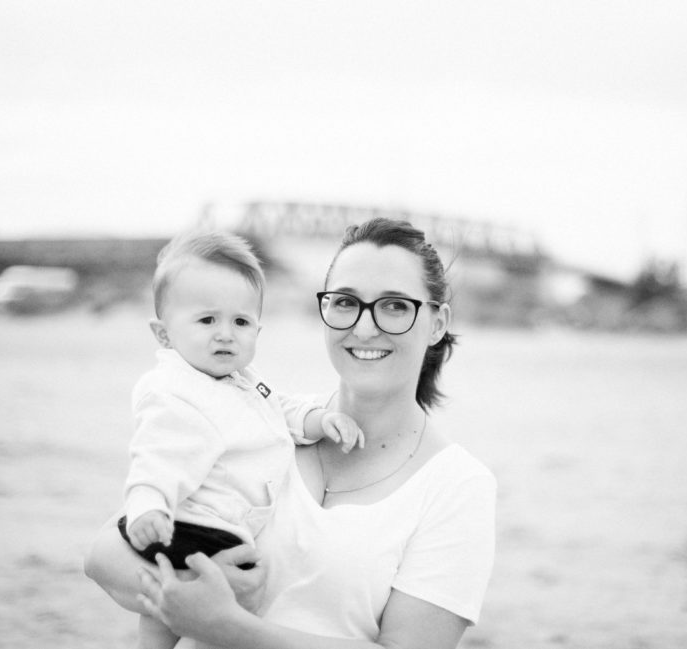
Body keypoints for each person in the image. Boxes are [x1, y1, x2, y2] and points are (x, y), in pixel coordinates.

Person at [85, 218, 497, 649]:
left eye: (395, 306)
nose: (365, 327)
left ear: (436, 322)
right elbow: (102, 557)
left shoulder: (457, 485)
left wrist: (227, 625)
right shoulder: (260, 417)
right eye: (345, 302)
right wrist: (190, 584)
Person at [118, 230, 363, 649]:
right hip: (188, 526)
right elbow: (153, 458)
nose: (226, 333)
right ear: (163, 335)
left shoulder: (242, 380)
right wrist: (148, 507)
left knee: (193, 612)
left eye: (241, 322)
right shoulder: (175, 392)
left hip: (222, 529)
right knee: (182, 611)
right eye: (207, 320)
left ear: (257, 330)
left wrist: (320, 420)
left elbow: (280, 408)